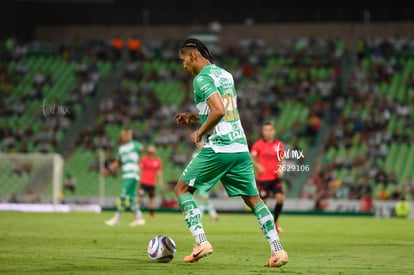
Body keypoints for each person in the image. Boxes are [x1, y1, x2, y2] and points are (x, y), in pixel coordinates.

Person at [173, 38, 288, 267]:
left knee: (182, 189)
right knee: (254, 200)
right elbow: (225, 109)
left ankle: (201, 241)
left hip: (220, 146)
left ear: (193, 56)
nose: (183, 65)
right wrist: (194, 116)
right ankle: (278, 250)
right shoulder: (225, 75)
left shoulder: (201, 79)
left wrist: (199, 132)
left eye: (183, 59)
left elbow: (218, 110)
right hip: (240, 147)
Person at [100, 129, 146, 227]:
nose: (127, 136)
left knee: (123, 195)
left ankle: (117, 218)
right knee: (131, 198)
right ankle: (139, 218)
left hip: (132, 173)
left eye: (128, 134)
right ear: (122, 136)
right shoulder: (121, 149)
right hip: (126, 174)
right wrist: (108, 170)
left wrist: (150, 151)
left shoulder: (135, 144)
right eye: (125, 135)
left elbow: (144, 150)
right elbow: (117, 162)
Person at [250, 121, 285, 233]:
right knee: (263, 203)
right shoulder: (258, 144)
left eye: (270, 130)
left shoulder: (278, 145)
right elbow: (252, 158)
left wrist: (281, 169)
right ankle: (265, 224)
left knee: (280, 198)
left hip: (275, 177)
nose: (268, 132)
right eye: (265, 130)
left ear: (273, 131)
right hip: (263, 179)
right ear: (263, 131)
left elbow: (282, 160)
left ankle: (275, 222)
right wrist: (258, 165)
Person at [137, 144, 164, 220]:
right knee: (140, 198)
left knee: (151, 199)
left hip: (152, 183)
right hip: (143, 182)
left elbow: (159, 171)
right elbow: (140, 169)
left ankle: (151, 214)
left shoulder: (158, 161)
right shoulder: (144, 159)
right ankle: (136, 212)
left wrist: (160, 181)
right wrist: (140, 178)